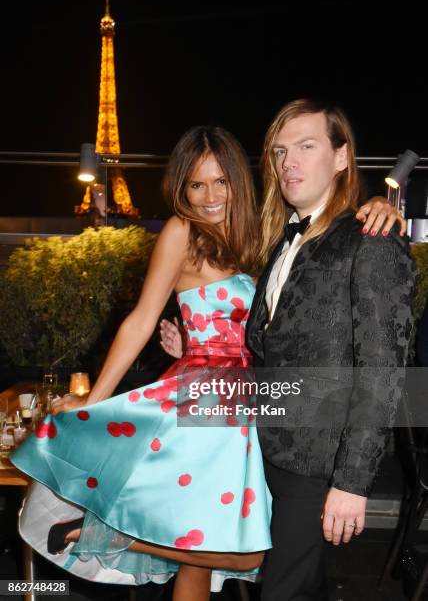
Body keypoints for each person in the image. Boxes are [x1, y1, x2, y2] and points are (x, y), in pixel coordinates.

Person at [12, 119, 404, 601]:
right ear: (182, 188)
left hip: (261, 400)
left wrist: (377, 203)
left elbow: (309, 267)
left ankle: (131, 537)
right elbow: (140, 319)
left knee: (204, 561)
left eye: (220, 181)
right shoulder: (182, 232)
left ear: (239, 181)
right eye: (196, 184)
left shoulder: (268, 231)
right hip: (208, 404)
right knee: (247, 552)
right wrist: (96, 398)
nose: (209, 195)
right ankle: (122, 536)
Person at [160, 99, 416, 601]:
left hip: (319, 462)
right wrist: (195, 340)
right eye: (279, 151)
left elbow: (382, 374)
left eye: (306, 146)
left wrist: (352, 483)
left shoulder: (373, 239)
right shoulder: (281, 241)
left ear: (342, 157)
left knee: (282, 591)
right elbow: (270, 344)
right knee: (296, 586)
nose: (288, 163)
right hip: (267, 446)